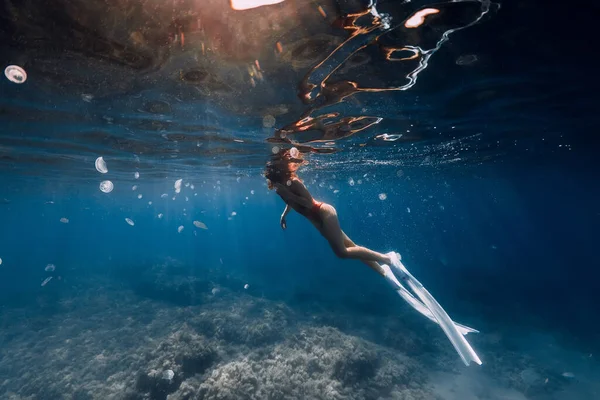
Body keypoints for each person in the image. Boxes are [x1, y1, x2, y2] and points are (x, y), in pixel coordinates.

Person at [265, 148, 397, 277]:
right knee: (350, 246)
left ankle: (388, 259)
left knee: (342, 252)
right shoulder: (280, 187)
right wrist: (284, 215)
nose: (269, 176)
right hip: (317, 219)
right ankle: (382, 271)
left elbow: (309, 203)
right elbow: (291, 202)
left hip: (323, 212)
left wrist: (288, 194)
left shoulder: (292, 182)